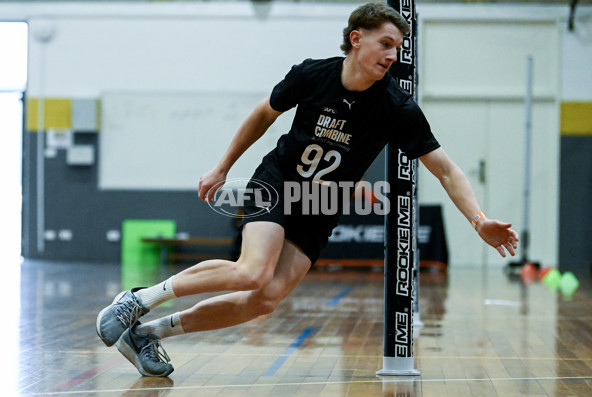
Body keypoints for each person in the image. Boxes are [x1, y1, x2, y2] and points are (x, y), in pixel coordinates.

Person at [96, 1, 519, 377]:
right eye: (385, 44)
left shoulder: (396, 107)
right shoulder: (313, 74)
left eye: (398, 48)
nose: (393, 55)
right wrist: (223, 167)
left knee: (266, 299)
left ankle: (146, 333)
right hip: (278, 182)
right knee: (252, 271)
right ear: (356, 39)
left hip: (320, 206)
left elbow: (445, 169)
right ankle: (137, 300)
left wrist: (478, 219)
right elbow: (265, 114)